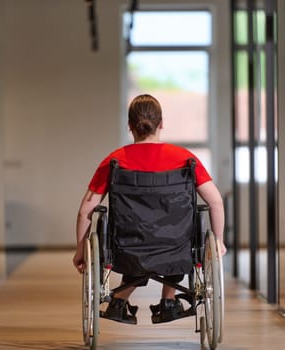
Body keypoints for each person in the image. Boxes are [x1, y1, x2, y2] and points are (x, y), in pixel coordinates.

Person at [73, 94, 226, 325]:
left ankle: (119, 301)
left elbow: (86, 209)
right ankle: (168, 300)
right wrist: (219, 241)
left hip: (128, 248)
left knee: (140, 240)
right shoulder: (184, 159)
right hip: (176, 246)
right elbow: (215, 202)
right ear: (161, 123)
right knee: (177, 233)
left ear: (130, 126)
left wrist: (80, 249)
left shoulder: (115, 161)